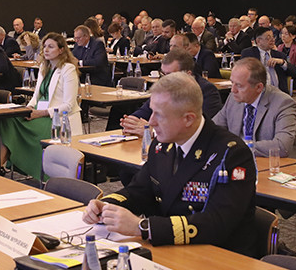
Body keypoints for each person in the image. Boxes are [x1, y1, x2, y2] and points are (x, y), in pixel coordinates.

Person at [82, 73, 257, 254]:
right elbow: (139, 190)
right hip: (169, 249)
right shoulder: (162, 145)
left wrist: (144, 227)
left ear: (188, 119)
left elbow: (217, 223)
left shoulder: (230, 154)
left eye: (159, 115)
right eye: (152, 112)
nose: (151, 122)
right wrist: (107, 206)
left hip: (218, 256)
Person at [0, 32, 82, 179]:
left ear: (61, 50)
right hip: (39, 113)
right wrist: (29, 108)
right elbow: (36, 96)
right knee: (8, 119)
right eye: (44, 46)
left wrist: (41, 113)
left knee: (13, 124)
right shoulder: (45, 67)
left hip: (56, 119)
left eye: (51, 47)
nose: (46, 50)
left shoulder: (68, 69)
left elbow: (69, 105)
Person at [213, 58, 296, 157]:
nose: (233, 90)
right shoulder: (234, 98)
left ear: (258, 87)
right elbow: (213, 129)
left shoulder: (283, 103)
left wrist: (240, 147)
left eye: (239, 85)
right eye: (232, 83)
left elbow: (282, 146)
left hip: (275, 163)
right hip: (239, 160)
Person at [239, 26, 296, 93]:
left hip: (278, 94)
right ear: (258, 41)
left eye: (273, 37)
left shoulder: (279, 55)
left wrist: (282, 62)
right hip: (257, 93)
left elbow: (294, 72)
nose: (272, 40)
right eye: (268, 38)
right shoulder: (249, 53)